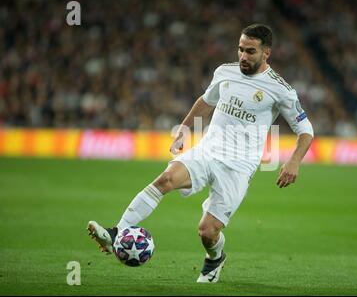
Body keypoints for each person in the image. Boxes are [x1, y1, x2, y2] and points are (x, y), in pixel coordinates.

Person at [87, 23, 314, 283]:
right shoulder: (224, 72)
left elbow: (306, 130)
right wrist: (184, 129)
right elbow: (206, 101)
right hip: (208, 150)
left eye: (250, 51)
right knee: (166, 179)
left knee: (207, 232)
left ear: (266, 54)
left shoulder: (281, 89)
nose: (243, 56)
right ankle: (118, 231)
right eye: (240, 49)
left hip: (238, 166)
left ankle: (215, 258)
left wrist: (294, 161)